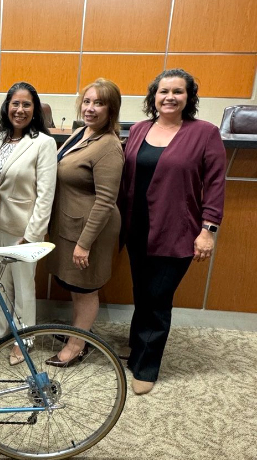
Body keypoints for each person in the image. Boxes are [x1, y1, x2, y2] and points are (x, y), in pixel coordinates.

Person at [119, 68, 226, 395]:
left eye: (177, 92)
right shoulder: (139, 129)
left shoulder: (204, 133)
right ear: (154, 96)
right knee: (142, 293)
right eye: (163, 91)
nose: (169, 97)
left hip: (177, 230)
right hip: (138, 228)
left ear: (188, 98)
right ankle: (137, 351)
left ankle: (146, 367)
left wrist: (208, 230)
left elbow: (216, 184)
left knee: (157, 298)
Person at [45, 78, 124, 367]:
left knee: (85, 288)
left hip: (90, 230)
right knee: (74, 285)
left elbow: (105, 201)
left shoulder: (109, 147)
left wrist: (84, 244)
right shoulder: (82, 132)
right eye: (87, 101)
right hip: (70, 223)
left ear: (111, 109)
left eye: (99, 103)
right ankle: (77, 334)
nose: (90, 108)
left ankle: (78, 345)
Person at [0, 82, 57, 365]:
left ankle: (24, 338)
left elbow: (46, 194)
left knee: (23, 286)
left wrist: (33, 233)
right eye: (15, 104)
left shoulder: (44, 144)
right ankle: (0, 330)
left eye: (26, 105)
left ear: (34, 110)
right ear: (7, 107)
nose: (20, 110)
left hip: (23, 228)